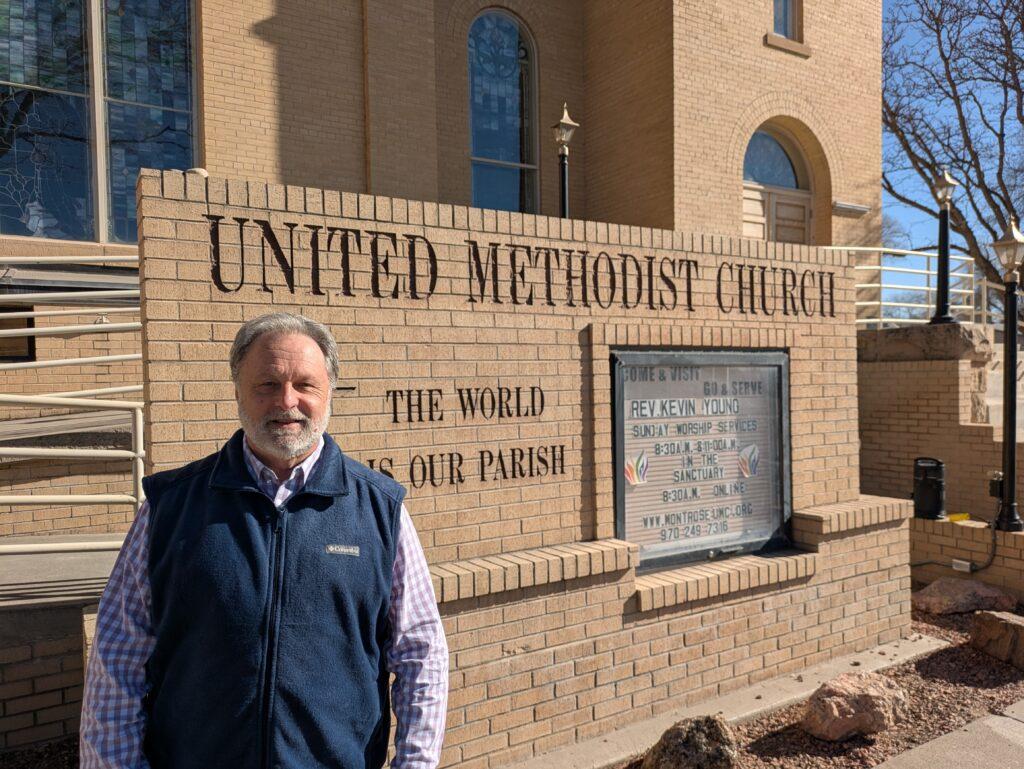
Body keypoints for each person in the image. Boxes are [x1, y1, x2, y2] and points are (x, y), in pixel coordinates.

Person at [80, 312, 448, 769]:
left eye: (304, 385)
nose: (287, 400)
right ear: (238, 391)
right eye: (267, 384)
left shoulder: (380, 509)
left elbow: (420, 654)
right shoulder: (169, 508)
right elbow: (117, 658)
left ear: (329, 390)